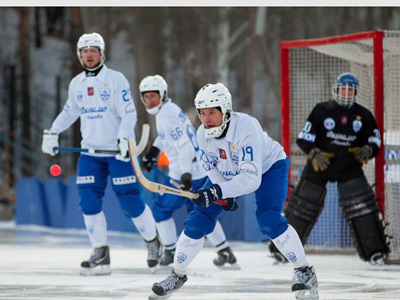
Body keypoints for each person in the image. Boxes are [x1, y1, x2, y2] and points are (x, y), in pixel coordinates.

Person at [149, 83, 319, 300]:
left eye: (212, 112)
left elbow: (251, 179)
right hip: (228, 173)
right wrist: (222, 192)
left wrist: (217, 191)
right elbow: (211, 168)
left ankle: (304, 272)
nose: (206, 118)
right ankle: (177, 275)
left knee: (268, 219)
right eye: (202, 113)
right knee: (198, 219)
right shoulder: (202, 134)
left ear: (225, 110)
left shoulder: (247, 127)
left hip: (268, 167)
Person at [41, 32, 160, 275]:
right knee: (88, 202)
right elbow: (69, 112)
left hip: (118, 153)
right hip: (90, 153)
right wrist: (52, 132)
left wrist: (124, 138)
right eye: (85, 52)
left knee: (130, 201)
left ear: (101, 53)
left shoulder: (116, 80)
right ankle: (100, 251)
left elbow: (129, 113)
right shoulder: (76, 84)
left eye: (93, 50)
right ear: (79, 55)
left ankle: (152, 241)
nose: (89, 55)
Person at [269, 72, 390, 266]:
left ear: (356, 93)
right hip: (319, 166)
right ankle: (283, 251)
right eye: (344, 89)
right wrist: (314, 152)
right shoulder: (321, 110)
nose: (347, 93)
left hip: (349, 167)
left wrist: (368, 149)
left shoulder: (364, 115)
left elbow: (375, 140)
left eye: (351, 90)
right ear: (336, 89)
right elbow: (303, 138)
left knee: (363, 208)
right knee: (301, 207)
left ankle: (375, 252)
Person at [139, 75, 239, 269]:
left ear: (163, 95)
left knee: (160, 210)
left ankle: (168, 250)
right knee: (200, 211)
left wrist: (185, 175)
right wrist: (153, 151)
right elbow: (165, 137)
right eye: (147, 96)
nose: (150, 100)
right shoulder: (168, 110)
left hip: (185, 172)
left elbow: (184, 146)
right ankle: (224, 250)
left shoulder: (166, 115)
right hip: (197, 169)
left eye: (154, 95)